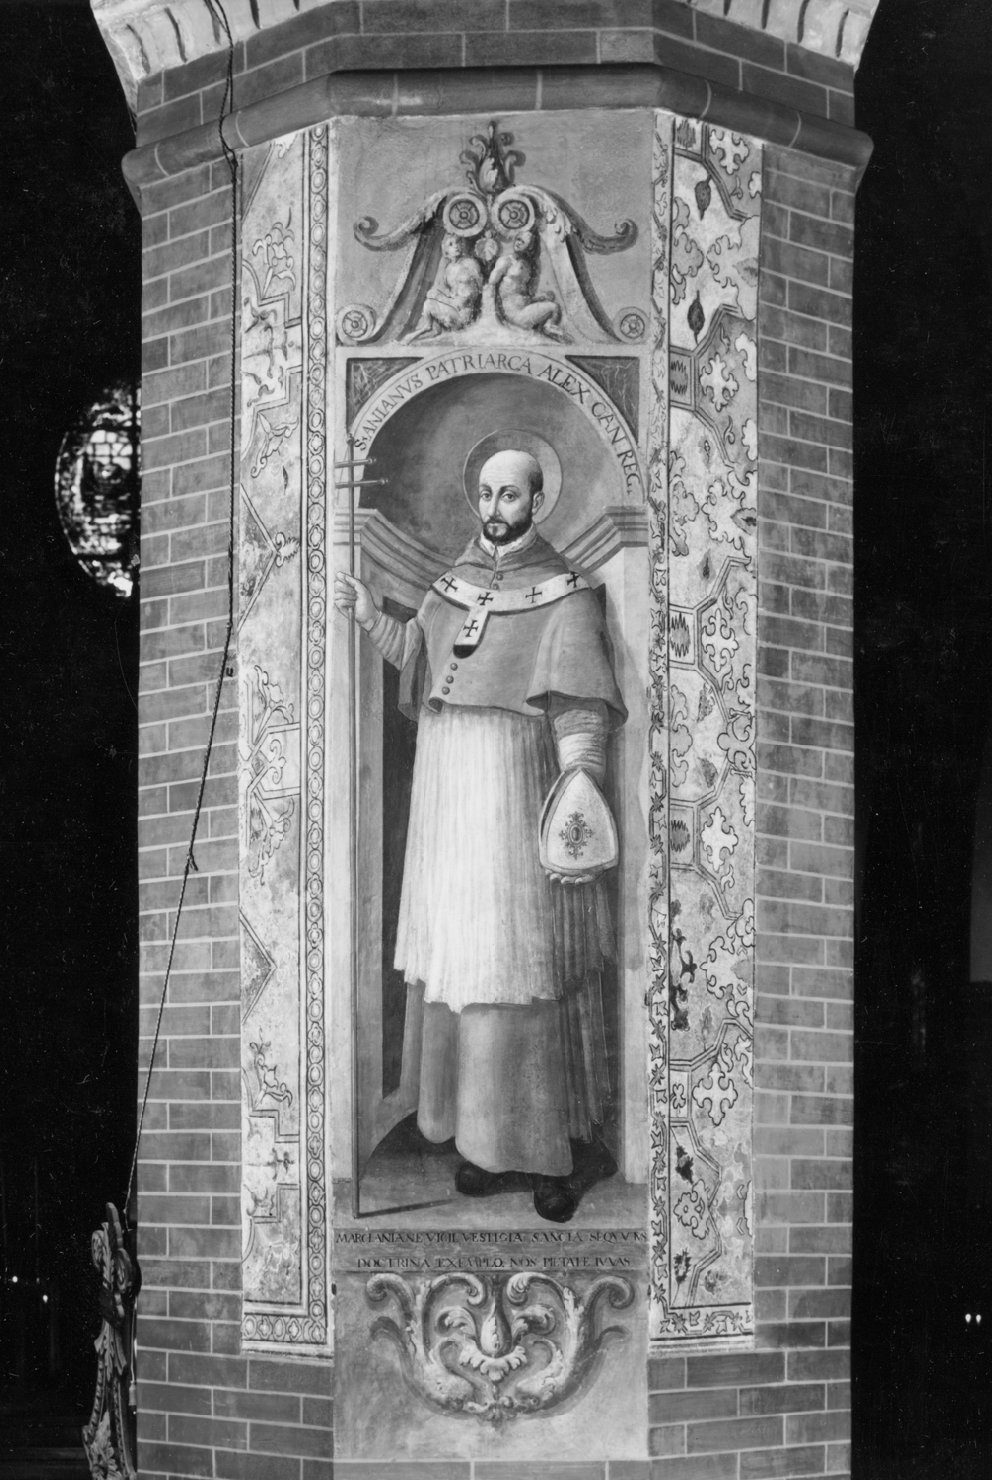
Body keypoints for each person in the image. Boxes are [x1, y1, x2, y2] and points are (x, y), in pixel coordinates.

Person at [334, 442, 625, 1222]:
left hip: (508, 786)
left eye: (511, 495)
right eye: (487, 495)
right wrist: (371, 616)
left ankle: (545, 1147)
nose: (496, 509)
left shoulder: (567, 594)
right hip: (448, 794)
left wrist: (580, 783)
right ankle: (484, 1143)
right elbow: (419, 660)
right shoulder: (451, 585)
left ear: (537, 501)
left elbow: (580, 706)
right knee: (462, 956)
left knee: (513, 961)